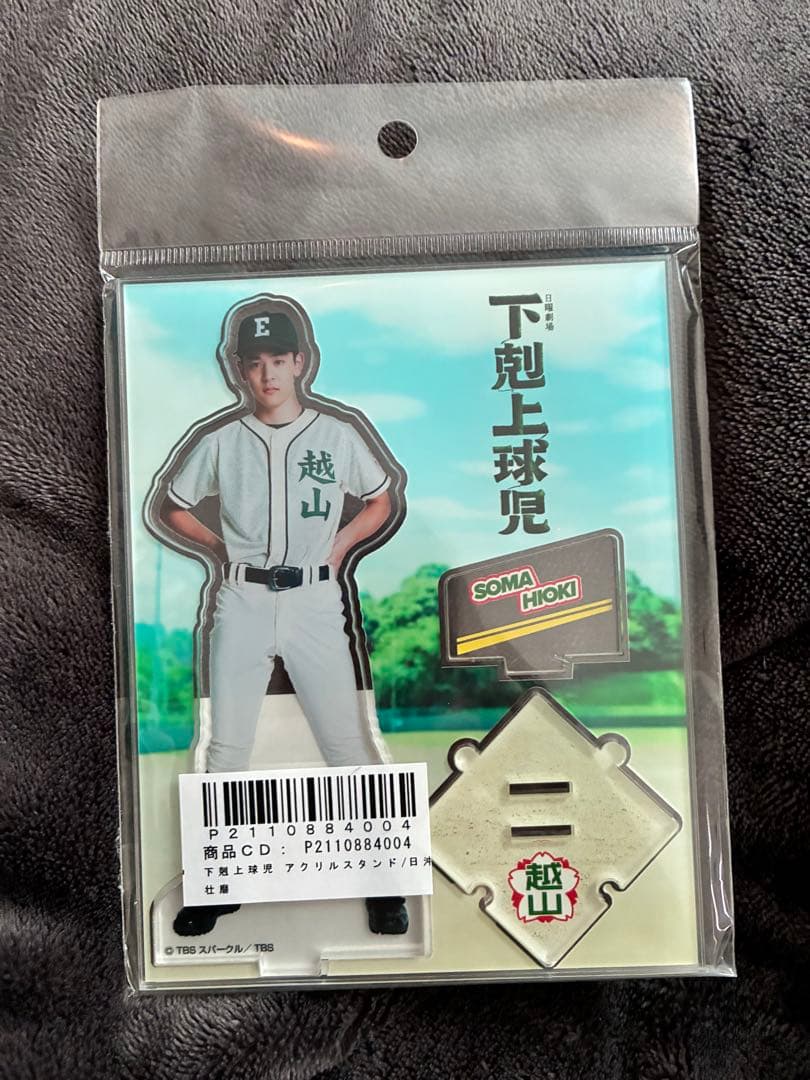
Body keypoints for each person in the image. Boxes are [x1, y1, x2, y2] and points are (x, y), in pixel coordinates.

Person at [152, 300, 407, 937]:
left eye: (278, 360)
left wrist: (341, 544)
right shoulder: (219, 441)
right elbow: (171, 507)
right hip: (241, 597)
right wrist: (219, 549)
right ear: (240, 370)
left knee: (346, 741)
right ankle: (218, 884)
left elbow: (380, 499)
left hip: (315, 599)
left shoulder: (336, 434)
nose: (267, 374)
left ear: (300, 362)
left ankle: (382, 882)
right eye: (255, 362)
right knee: (225, 744)